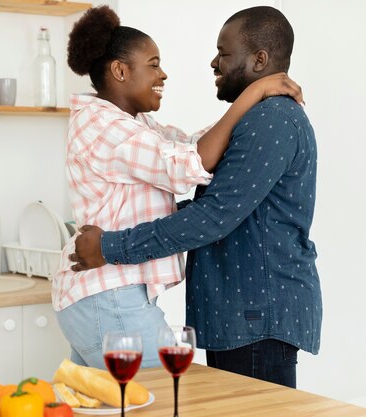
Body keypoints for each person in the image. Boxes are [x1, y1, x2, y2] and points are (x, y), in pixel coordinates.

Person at [69, 6, 320, 388]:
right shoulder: (115, 124)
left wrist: (111, 245)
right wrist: (251, 96)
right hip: (238, 315)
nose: (213, 62)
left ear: (259, 60)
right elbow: (197, 177)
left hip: (256, 315)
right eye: (153, 65)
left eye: (224, 53)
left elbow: (211, 214)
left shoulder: (271, 120)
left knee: (167, 400)